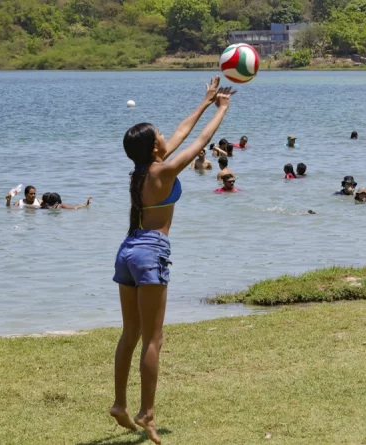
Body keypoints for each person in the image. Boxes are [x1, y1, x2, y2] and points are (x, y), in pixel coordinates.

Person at [112, 77, 235, 443]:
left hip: (128, 249)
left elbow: (183, 132)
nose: (168, 135)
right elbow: (198, 141)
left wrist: (205, 101)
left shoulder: (141, 171)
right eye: (160, 135)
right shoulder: (163, 171)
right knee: (154, 338)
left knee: (130, 333)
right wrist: (223, 110)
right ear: (154, 148)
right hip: (151, 251)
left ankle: (120, 403)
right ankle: (146, 413)